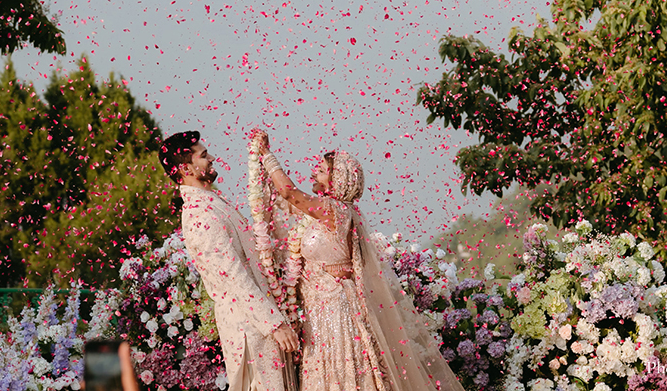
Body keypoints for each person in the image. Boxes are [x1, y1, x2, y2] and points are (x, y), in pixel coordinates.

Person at [251, 131, 465, 391]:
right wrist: (258, 168)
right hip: (319, 310)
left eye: (320, 171)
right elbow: (283, 201)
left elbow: (289, 194)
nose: (313, 174)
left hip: (335, 310)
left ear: (336, 179)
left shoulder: (335, 210)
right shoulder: (322, 212)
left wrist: (267, 156)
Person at [159, 131, 300, 391]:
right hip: (249, 329)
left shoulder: (212, 202)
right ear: (184, 168)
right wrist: (275, 324)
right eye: (203, 156)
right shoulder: (198, 215)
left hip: (261, 324)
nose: (211, 158)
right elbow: (234, 277)